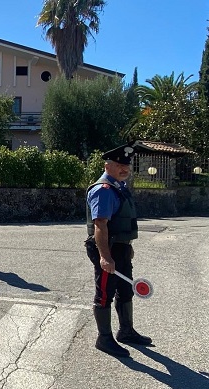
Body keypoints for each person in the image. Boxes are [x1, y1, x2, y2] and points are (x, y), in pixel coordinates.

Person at [85, 141, 152, 358]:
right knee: (104, 293)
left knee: (125, 289)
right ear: (107, 166)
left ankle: (126, 331)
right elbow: (100, 225)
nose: (125, 169)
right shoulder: (103, 190)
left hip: (121, 248)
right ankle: (104, 339)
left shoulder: (119, 187)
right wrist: (105, 257)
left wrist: (127, 248)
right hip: (108, 249)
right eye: (119, 165)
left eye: (127, 166)